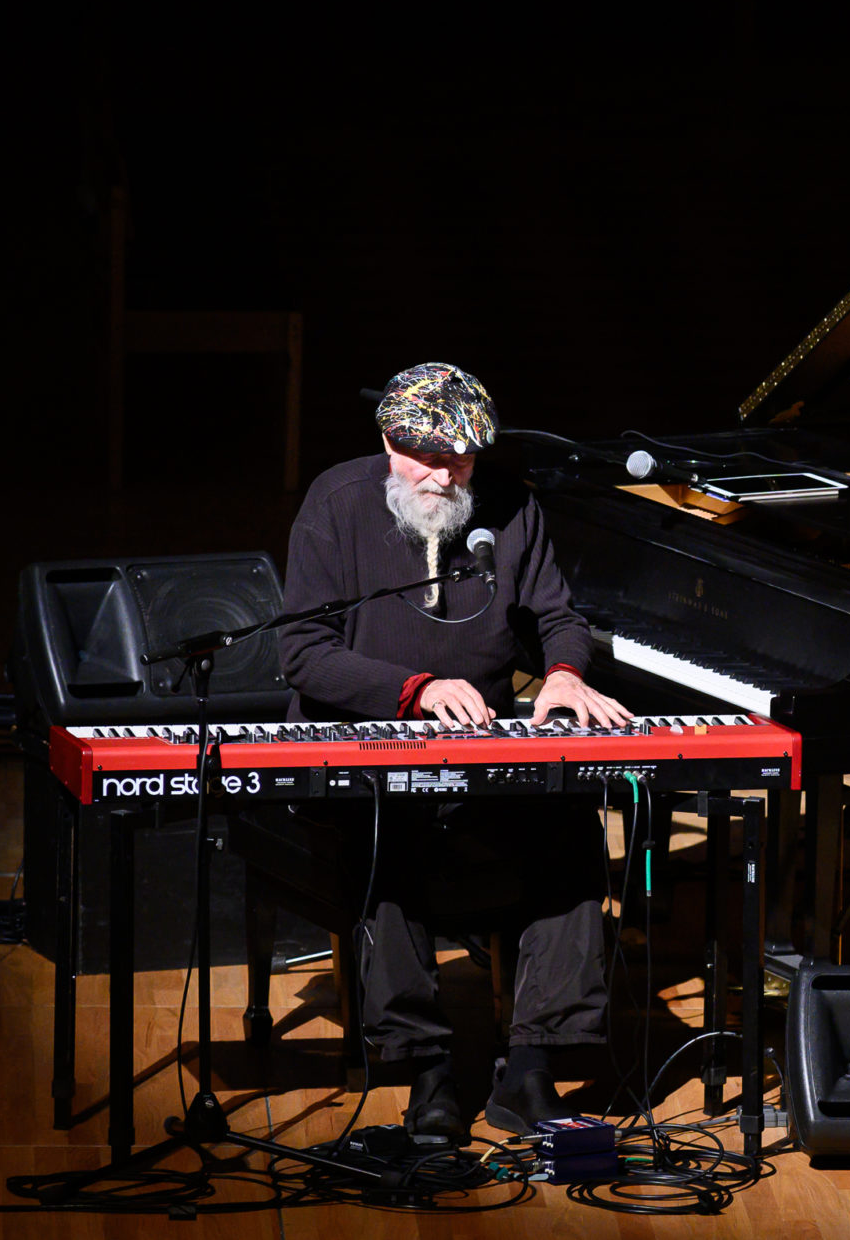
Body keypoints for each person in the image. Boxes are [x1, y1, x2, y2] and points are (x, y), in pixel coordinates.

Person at [279, 361, 631, 1141]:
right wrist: (414, 691)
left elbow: (557, 617)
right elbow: (302, 652)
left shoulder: (509, 506)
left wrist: (564, 673)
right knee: (385, 832)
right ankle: (427, 1070)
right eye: (429, 459)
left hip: (480, 754)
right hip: (367, 742)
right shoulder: (337, 503)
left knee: (570, 826)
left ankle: (532, 1066)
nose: (445, 476)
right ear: (388, 442)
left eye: (462, 460)